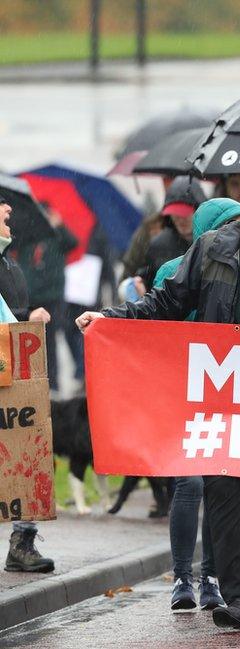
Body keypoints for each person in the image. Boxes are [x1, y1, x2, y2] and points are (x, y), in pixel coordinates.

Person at [76, 182, 240, 630]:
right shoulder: (214, 251)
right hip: (223, 397)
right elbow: (169, 302)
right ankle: (237, 596)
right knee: (226, 492)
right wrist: (114, 319)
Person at [151, 197, 240, 612]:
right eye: (231, 226)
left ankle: (211, 575)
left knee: (219, 481)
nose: (238, 235)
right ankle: (181, 577)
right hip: (181, 388)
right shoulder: (173, 269)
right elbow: (158, 317)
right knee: (189, 482)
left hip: (225, 390)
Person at [0, 193, 55, 575]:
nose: (7, 212)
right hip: (7, 370)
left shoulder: (8, 261)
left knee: (26, 455)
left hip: (16, 376)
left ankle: (23, 542)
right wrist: (25, 316)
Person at [10, 201, 78, 395]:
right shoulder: (26, 235)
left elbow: (73, 243)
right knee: (29, 342)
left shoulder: (56, 235)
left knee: (50, 340)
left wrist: (60, 225)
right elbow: (12, 245)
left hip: (53, 296)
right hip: (32, 298)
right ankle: (34, 383)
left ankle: (53, 383)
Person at [144, 176, 206, 287]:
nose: (180, 219)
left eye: (185, 213)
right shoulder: (158, 245)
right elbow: (149, 284)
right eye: (175, 214)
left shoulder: (212, 243)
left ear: (199, 210)